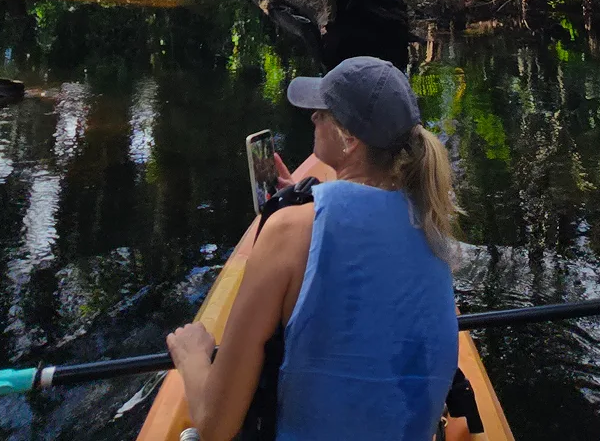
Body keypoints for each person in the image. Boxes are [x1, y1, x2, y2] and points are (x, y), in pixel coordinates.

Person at [167, 56, 462, 441]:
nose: (312, 119)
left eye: (322, 112)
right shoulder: (432, 224)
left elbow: (214, 425)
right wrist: (300, 200)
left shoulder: (289, 230)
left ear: (349, 139)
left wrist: (193, 358)